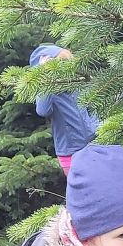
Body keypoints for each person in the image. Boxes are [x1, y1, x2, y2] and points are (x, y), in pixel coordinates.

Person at [28, 45, 101, 176]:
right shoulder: (49, 93)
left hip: (95, 144)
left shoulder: (77, 84)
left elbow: (94, 107)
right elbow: (43, 111)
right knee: (82, 193)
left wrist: (97, 128)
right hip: (71, 152)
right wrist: (45, 78)